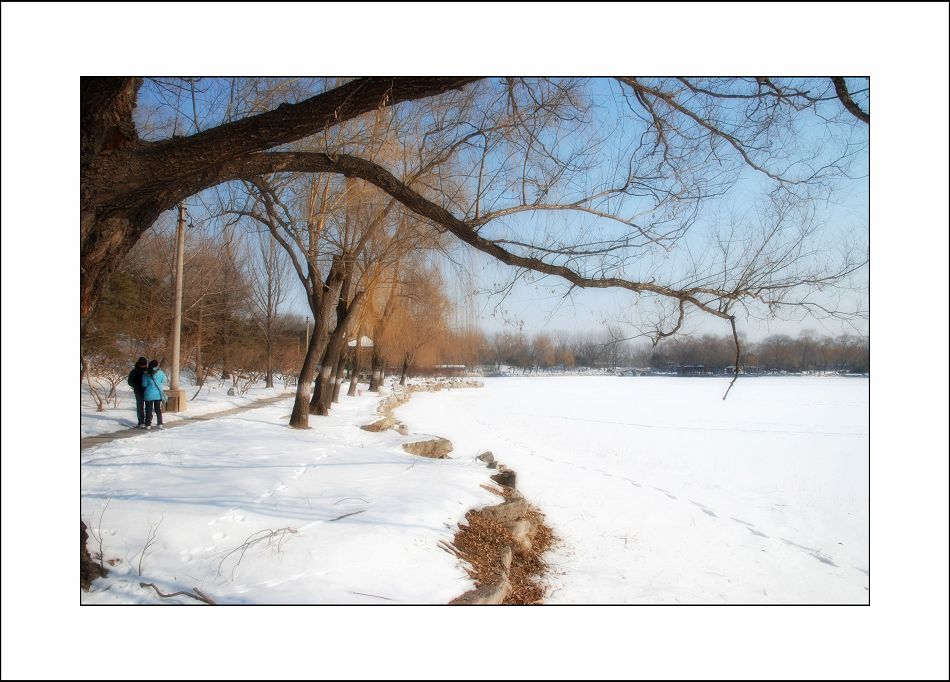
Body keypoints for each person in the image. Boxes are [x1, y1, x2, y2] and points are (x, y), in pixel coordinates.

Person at [142, 359, 167, 430]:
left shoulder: (146, 373)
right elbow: (163, 381)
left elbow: (144, 384)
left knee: (148, 410)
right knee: (158, 409)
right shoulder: (161, 373)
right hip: (157, 394)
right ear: (157, 365)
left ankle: (148, 425)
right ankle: (160, 424)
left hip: (148, 394)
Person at [127, 356, 149, 427]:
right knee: (140, 406)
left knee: (148, 406)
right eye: (142, 365)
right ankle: (141, 421)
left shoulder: (148, 371)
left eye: (145, 365)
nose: (143, 366)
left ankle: (148, 421)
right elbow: (130, 382)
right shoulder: (134, 371)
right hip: (139, 391)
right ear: (139, 364)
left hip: (148, 391)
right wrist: (137, 386)